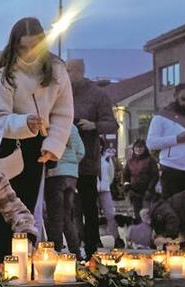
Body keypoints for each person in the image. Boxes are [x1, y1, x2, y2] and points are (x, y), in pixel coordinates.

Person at [0, 17, 74, 213]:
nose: (29, 53)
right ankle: (2, 244)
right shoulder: (3, 75)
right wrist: (24, 122)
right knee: (2, 208)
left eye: (35, 46)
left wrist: (53, 144)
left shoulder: (57, 71)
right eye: (23, 47)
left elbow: (64, 113)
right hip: (7, 145)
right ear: (14, 45)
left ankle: (26, 243)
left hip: (38, 146)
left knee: (30, 208)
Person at [67, 58, 117, 260]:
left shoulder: (97, 94)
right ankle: (71, 248)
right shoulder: (61, 92)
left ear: (80, 71)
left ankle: (91, 248)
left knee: (88, 204)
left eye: (69, 71)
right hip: (64, 160)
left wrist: (94, 125)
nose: (66, 75)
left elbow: (112, 124)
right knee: (68, 206)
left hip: (87, 159)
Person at [43, 124, 85, 253]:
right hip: (72, 176)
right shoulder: (71, 127)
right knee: (68, 216)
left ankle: (55, 251)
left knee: (55, 216)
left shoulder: (49, 126)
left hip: (55, 174)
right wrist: (71, 164)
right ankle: (75, 252)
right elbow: (81, 152)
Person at [123, 139, 159, 218]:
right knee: (137, 215)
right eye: (136, 147)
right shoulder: (130, 161)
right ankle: (139, 229)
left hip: (147, 192)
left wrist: (150, 189)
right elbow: (126, 175)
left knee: (146, 215)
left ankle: (148, 229)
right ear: (133, 148)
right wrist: (127, 185)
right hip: (134, 192)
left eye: (141, 147)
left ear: (144, 148)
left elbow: (155, 176)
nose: (138, 149)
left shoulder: (150, 160)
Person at [98, 145, 119, 247]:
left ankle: (116, 237)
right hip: (93, 188)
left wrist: (107, 183)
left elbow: (111, 172)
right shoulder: (89, 156)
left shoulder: (106, 158)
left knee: (110, 214)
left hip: (105, 189)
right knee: (93, 215)